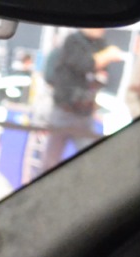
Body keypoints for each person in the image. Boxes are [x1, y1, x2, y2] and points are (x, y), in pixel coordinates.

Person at [25, 28, 124, 179]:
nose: (100, 29)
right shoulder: (73, 41)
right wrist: (107, 56)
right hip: (64, 111)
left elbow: (102, 75)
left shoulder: (100, 44)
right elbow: (85, 64)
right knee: (50, 162)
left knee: (91, 160)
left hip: (85, 114)